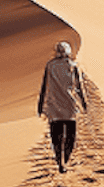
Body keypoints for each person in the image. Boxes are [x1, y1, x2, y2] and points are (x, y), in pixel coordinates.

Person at [37, 41, 88, 172]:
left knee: (56, 137)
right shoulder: (74, 66)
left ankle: (60, 160)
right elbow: (80, 87)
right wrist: (84, 103)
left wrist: (40, 104)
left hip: (53, 106)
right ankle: (65, 160)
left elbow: (44, 86)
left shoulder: (50, 65)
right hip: (70, 106)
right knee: (71, 137)